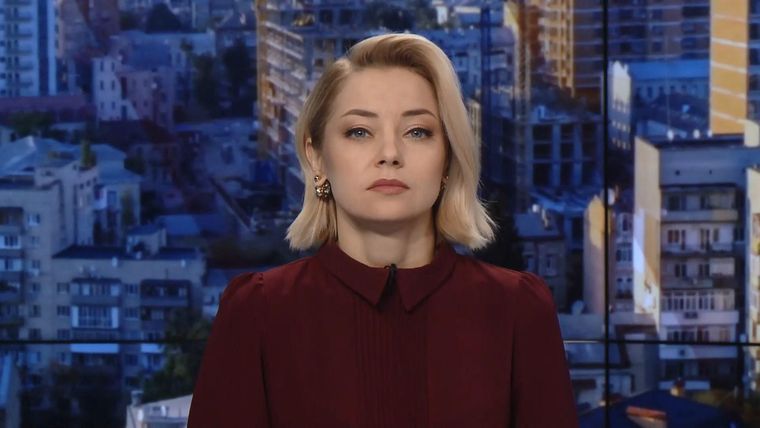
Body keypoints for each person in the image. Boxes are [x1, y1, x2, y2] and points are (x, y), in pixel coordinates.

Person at [188, 33, 578, 427]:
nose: (390, 154)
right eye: (359, 131)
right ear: (316, 157)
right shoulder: (257, 313)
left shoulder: (519, 311)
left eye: (417, 132)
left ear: (448, 159)